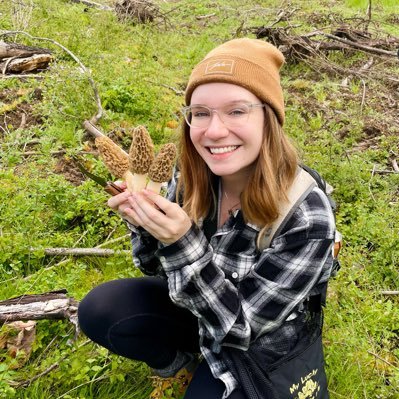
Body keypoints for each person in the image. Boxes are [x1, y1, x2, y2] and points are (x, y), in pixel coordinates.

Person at [78, 38, 335, 399]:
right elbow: (153, 267)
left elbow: (242, 329)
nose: (214, 131)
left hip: (258, 337)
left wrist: (184, 243)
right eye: (200, 113)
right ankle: (180, 366)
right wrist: (143, 221)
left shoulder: (306, 215)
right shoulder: (191, 182)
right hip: (201, 308)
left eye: (237, 111)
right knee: (101, 309)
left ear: (270, 119)